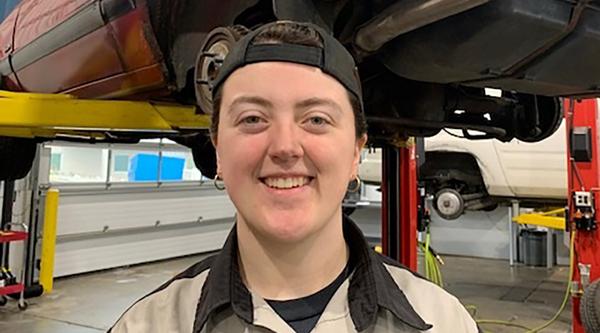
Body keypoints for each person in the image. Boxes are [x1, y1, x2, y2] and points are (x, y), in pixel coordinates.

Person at [110, 21, 480, 333]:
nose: (285, 147)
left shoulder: (442, 322)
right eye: (252, 119)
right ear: (218, 151)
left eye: (316, 119)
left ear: (355, 153)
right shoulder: (149, 325)